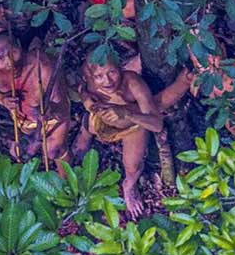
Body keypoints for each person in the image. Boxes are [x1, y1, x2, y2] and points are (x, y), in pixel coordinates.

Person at [73, 56, 191, 218]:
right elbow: (82, 89)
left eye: (112, 72)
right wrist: (87, 101)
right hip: (101, 119)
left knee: (132, 166)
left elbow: (157, 125)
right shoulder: (91, 80)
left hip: (132, 126)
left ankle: (129, 186)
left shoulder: (132, 83)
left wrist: (127, 113)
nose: (107, 81)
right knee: (90, 128)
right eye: (99, 76)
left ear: (120, 68)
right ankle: (84, 135)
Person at [0, 23, 72, 175]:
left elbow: (60, 106)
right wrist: (0, 98)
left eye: (11, 51)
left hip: (52, 118)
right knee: (20, 152)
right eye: (0, 57)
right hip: (23, 120)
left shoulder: (42, 66)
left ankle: (67, 187)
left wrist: (49, 111)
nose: (9, 61)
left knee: (53, 151)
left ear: (19, 45)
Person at [187, 28, 235, 137]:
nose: (210, 65)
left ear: (222, 50)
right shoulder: (202, 83)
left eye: (212, 57)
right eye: (200, 63)